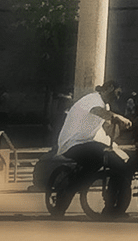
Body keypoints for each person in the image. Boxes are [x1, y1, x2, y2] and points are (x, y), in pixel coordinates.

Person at [52, 79, 132, 215]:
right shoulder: (92, 99)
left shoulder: (105, 106)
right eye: (117, 93)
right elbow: (98, 112)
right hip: (72, 143)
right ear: (109, 88)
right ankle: (65, 196)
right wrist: (118, 117)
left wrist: (116, 131)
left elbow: (107, 125)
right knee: (96, 159)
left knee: (117, 161)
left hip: (86, 141)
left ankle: (113, 207)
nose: (117, 97)